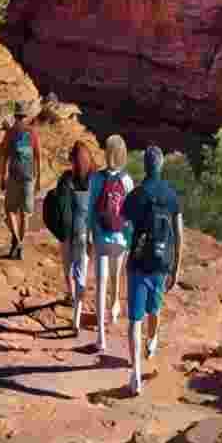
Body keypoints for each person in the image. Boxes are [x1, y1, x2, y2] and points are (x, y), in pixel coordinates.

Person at [122, 145, 184, 396]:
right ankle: (152, 341)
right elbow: (178, 234)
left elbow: (124, 225)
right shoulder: (171, 195)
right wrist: (176, 267)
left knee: (134, 320)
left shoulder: (136, 195)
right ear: (161, 166)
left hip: (138, 264)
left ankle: (135, 374)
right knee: (155, 309)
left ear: (145, 166)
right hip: (161, 263)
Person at [86, 134, 134, 353]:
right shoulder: (127, 180)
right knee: (116, 276)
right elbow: (131, 213)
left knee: (101, 283)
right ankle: (114, 308)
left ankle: (101, 338)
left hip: (101, 237)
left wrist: (89, 235)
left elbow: (90, 210)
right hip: (120, 237)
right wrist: (130, 239)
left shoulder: (96, 178)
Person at [0, 100, 42, 259]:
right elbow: (38, 156)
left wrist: (2, 177)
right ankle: (20, 246)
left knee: (10, 210)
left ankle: (16, 240)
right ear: (25, 116)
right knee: (25, 214)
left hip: (14, 176)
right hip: (29, 177)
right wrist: (38, 178)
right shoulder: (32, 132)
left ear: (15, 115)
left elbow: (3, 157)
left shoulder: (10, 132)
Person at [57, 141, 95, 334]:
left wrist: (62, 234)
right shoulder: (95, 180)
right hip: (86, 233)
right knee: (82, 273)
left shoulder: (66, 179)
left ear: (73, 160)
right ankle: (76, 319)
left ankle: (70, 295)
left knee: (68, 268)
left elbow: (61, 207)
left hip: (68, 232)